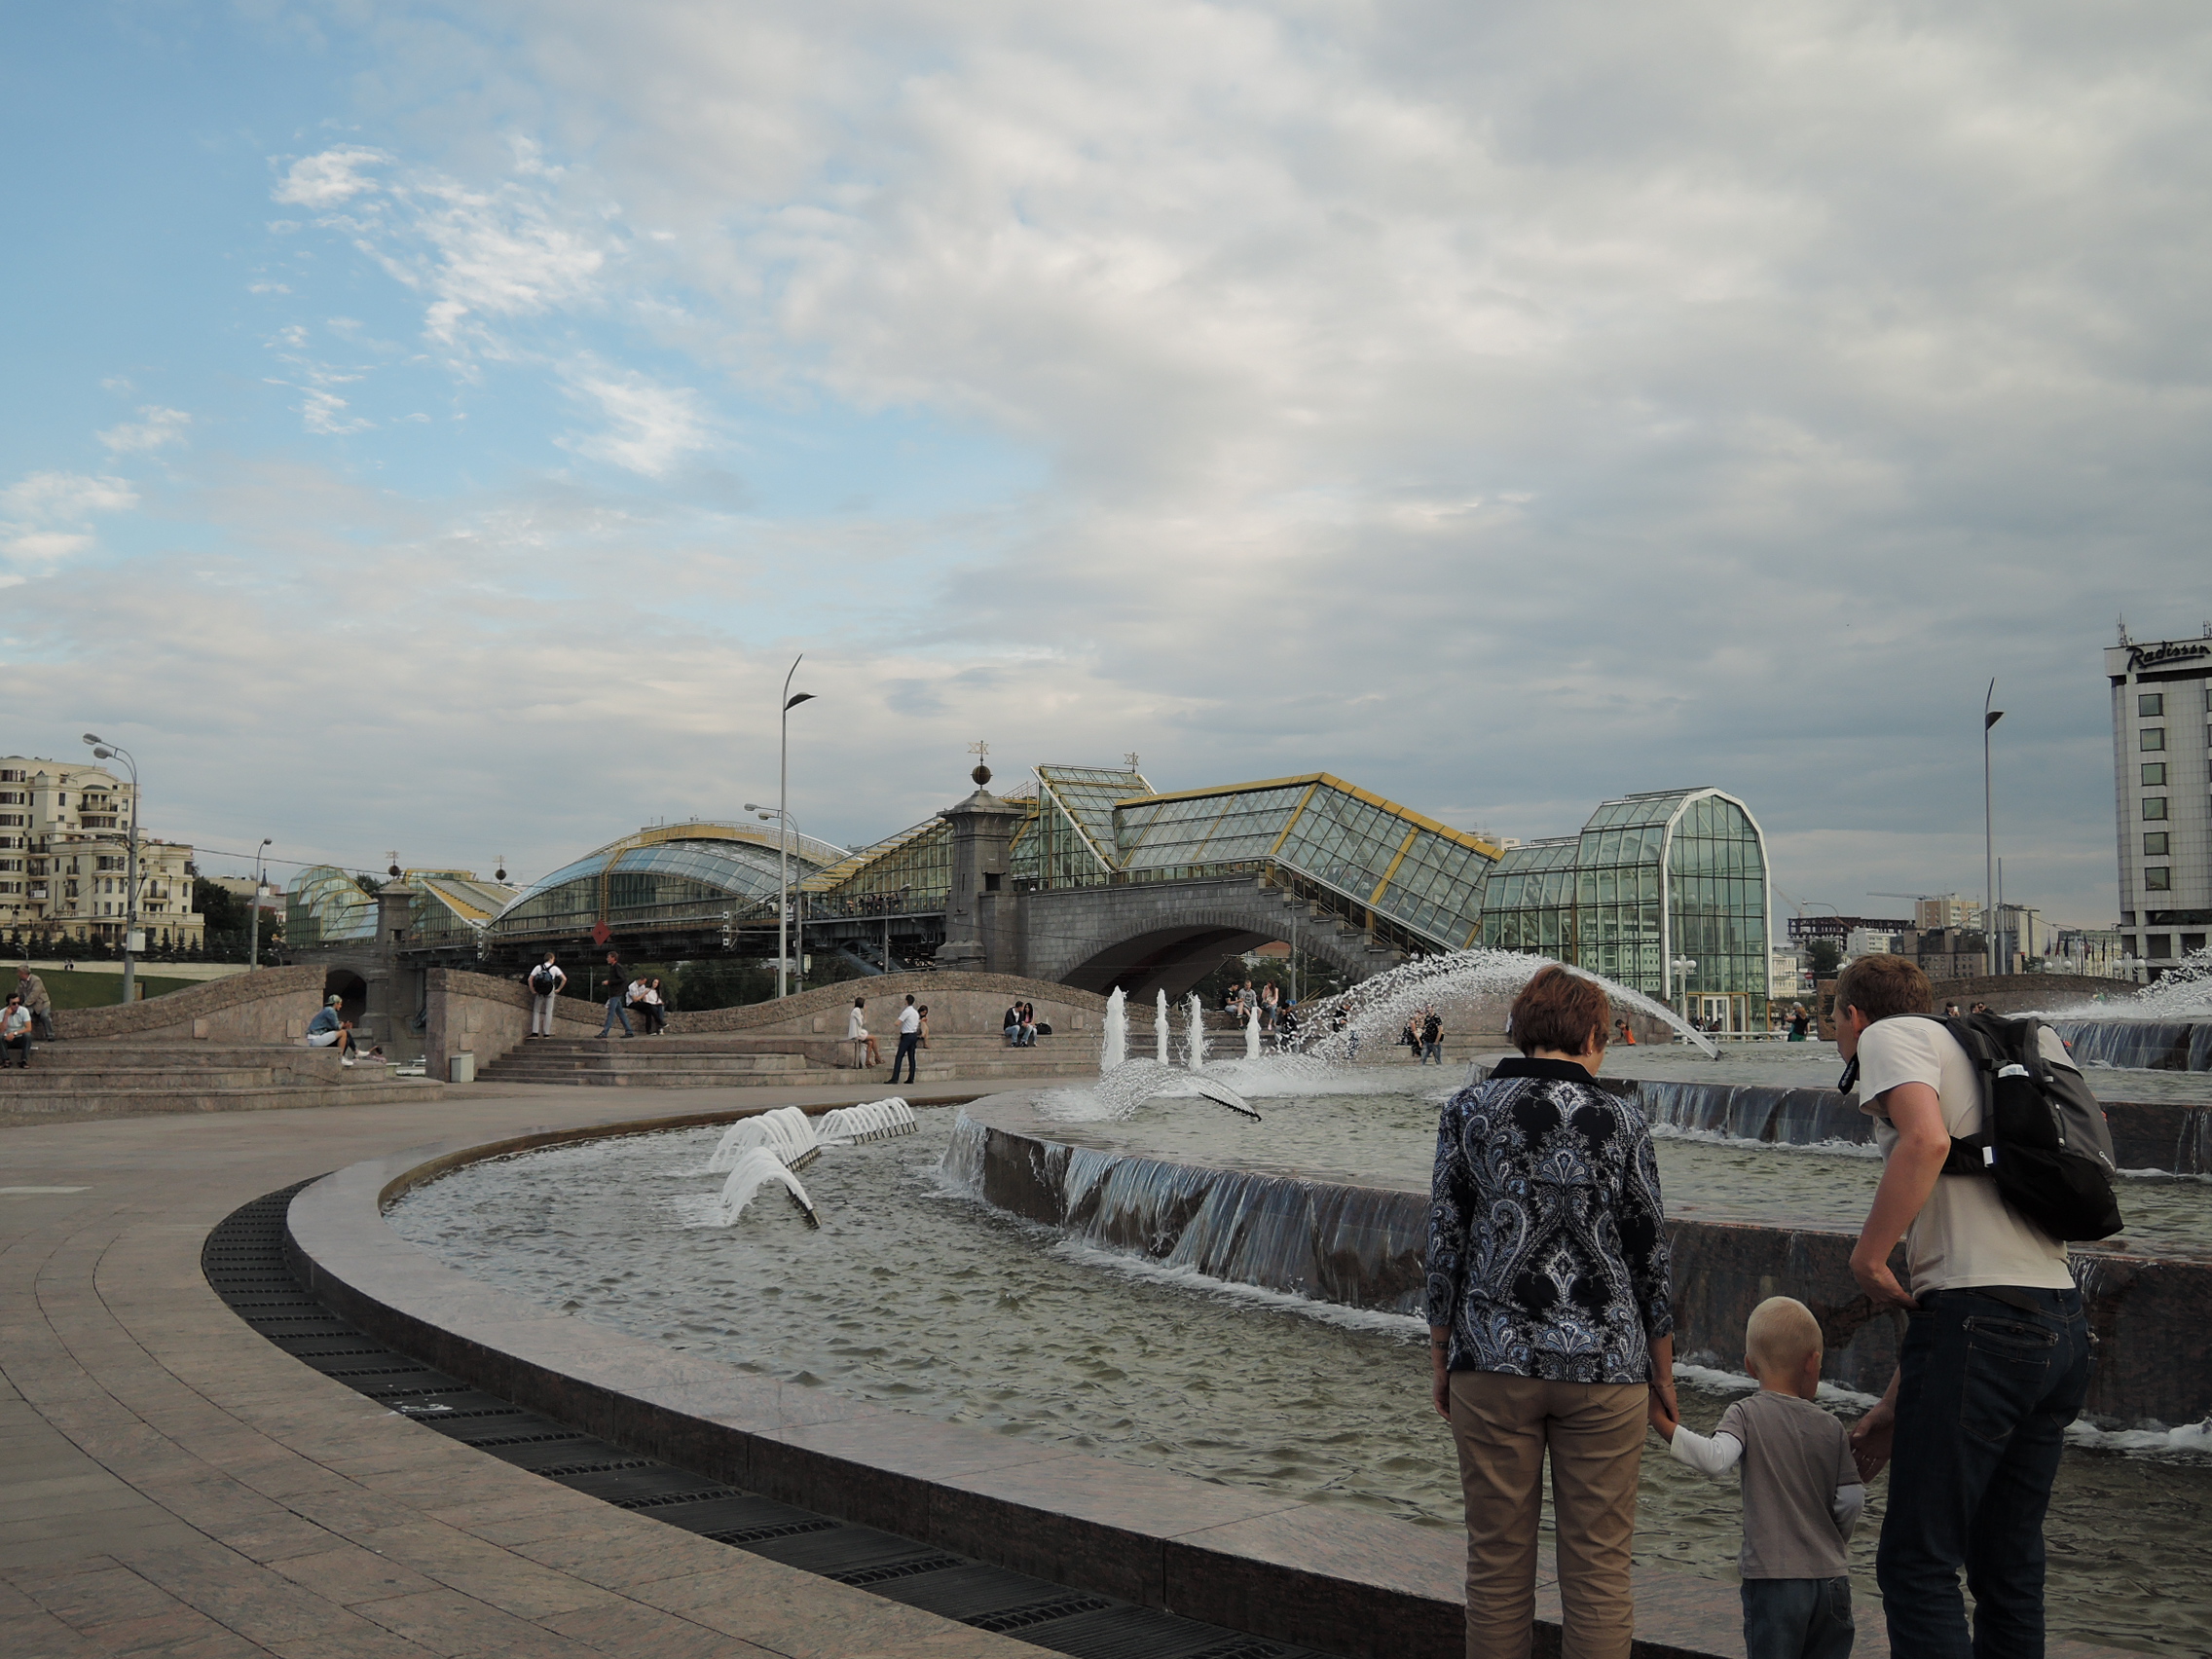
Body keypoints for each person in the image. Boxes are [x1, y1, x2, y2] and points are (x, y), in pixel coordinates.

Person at [1834, 954, 2088, 1658]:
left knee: (1917, 1564)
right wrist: (1897, 1402)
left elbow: (1927, 1140)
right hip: (2060, 1325)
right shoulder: (1983, 1050)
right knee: (2008, 1566)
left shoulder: (1888, 1036)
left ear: (1853, 1014)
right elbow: (1959, 1277)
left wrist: (1868, 1258)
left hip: (1984, 1329)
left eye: (1835, 1021)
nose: (1838, 1035)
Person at [1427, 964, 1676, 1659]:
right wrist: (1662, 1371)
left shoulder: (1468, 1110)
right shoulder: (1623, 1119)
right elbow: (1650, 1250)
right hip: (1607, 1363)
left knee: (1496, 1567)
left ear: (1524, 1030)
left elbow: (1445, 1239)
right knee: (1599, 1572)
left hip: (1492, 1353)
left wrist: (1442, 1352)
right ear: (1592, 1036)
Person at [1665, 1297, 1863, 1659]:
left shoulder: (1745, 1413)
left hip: (1774, 1582)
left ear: (1749, 1366)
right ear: (1813, 1362)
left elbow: (1715, 1460)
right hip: (1832, 1580)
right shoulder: (1832, 1426)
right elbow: (1851, 1501)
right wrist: (1833, 1541)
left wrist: (1664, 1426)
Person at [305, 993, 363, 1066]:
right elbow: (337, 1027)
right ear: (335, 1003)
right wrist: (342, 1023)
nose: (340, 1006)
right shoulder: (330, 1011)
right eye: (340, 1004)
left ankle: (355, 1051)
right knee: (343, 1033)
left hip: (316, 1038)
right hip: (315, 1039)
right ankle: (341, 1058)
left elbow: (332, 1027)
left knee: (345, 1034)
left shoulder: (326, 1010)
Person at [526, 952, 566, 1039]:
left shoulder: (538, 967)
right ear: (551, 958)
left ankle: (535, 1033)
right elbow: (564, 979)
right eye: (553, 959)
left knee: (536, 1010)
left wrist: (532, 990)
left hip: (540, 991)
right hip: (550, 990)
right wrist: (558, 989)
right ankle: (546, 1033)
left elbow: (530, 979)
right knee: (549, 1011)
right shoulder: (554, 968)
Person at [597, 952, 634, 1039]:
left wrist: (609, 982)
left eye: (609, 957)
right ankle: (629, 1031)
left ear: (613, 958)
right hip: (615, 993)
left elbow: (622, 979)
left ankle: (605, 1032)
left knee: (611, 1012)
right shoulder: (614, 967)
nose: (607, 959)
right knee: (620, 1013)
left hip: (616, 993)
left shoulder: (617, 967)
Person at [17, 965, 55, 1042]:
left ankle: (50, 1035)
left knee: (44, 1016)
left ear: (24, 973)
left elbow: (34, 995)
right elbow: (18, 992)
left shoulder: (36, 980)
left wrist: (24, 1005)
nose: (18, 974)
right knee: (25, 1015)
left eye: (19, 973)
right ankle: (25, 1035)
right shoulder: (21, 981)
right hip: (30, 1005)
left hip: (42, 1003)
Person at [889, 994, 921, 1084]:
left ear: (906, 1001)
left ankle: (895, 1078)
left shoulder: (907, 1011)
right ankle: (911, 1077)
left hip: (906, 1036)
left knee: (899, 1056)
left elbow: (897, 1023)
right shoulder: (915, 1012)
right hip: (914, 1035)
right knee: (911, 1057)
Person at [1, 990, 31, 1068]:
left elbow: (28, 1028)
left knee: (27, 1035)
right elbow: (1, 1030)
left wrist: (15, 1033)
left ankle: (24, 1060)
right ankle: (5, 1060)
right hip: (7, 1038)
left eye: (18, 1003)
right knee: (0, 1036)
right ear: (8, 1004)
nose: (16, 1005)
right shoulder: (2, 1012)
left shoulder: (24, 1011)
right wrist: (6, 1016)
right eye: (14, 1003)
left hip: (19, 1038)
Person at [849, 997, 881, 1068]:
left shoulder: (858, 1011)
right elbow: (861, 1023)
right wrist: (863, 1015)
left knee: (870, 1043)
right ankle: (877, 1057)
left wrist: (865, 1012)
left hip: (857, 1032)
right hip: (856, 1034)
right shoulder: (856, 1010)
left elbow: (864, 1022)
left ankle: (867, 1061)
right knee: (874, 1038)